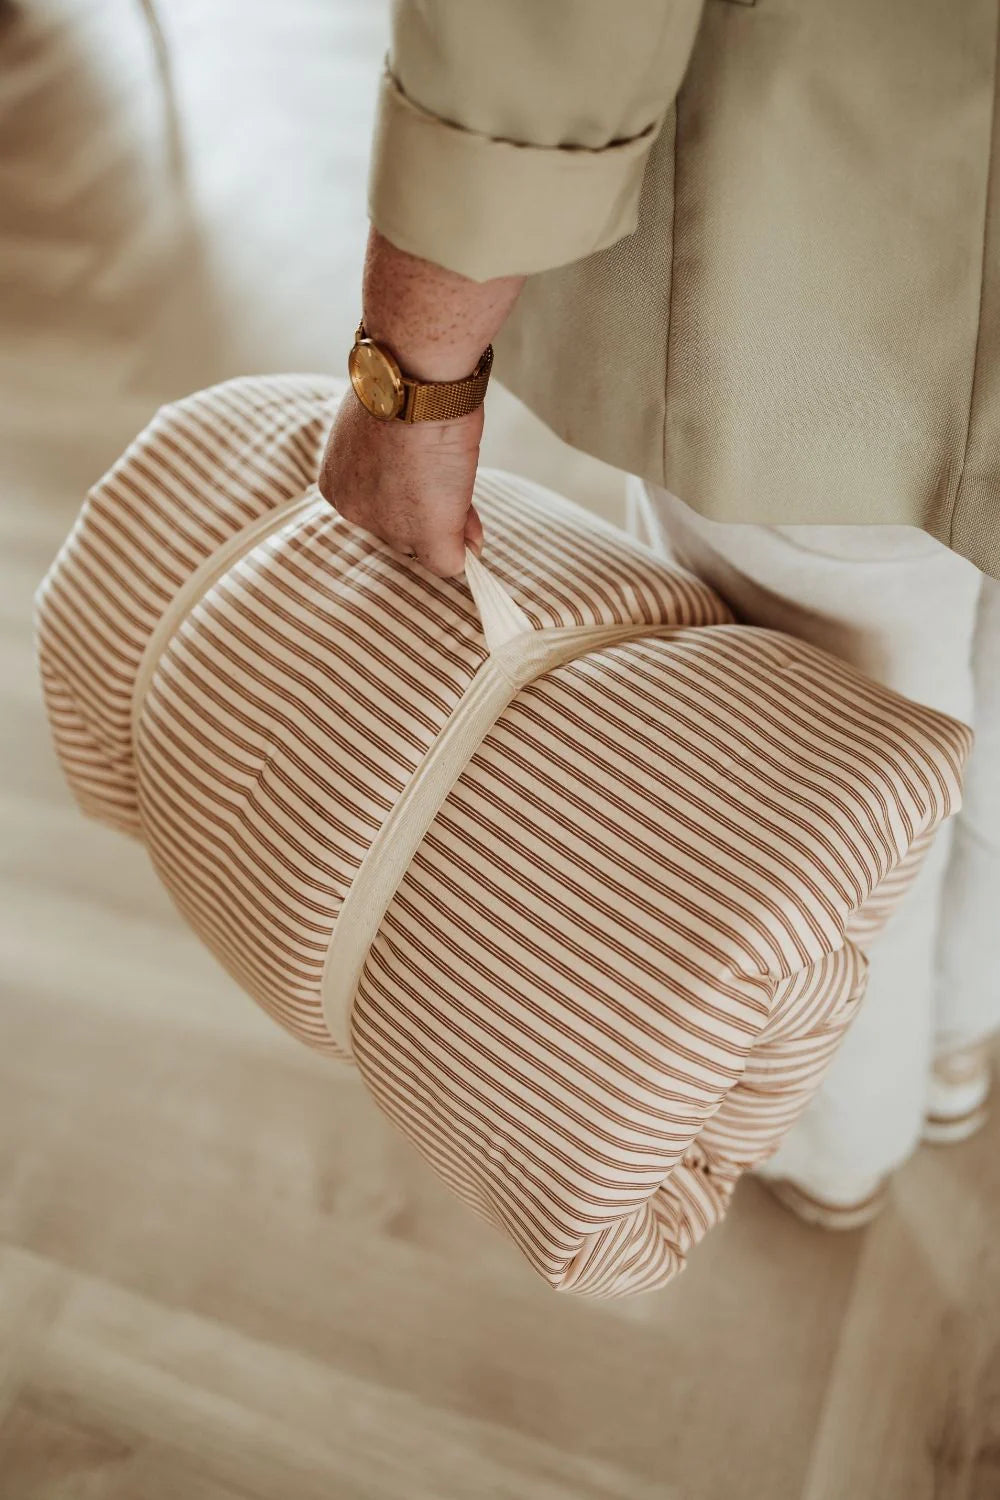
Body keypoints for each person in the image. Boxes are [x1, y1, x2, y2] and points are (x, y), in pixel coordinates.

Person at [318, 0, 999, 1227]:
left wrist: (408, 383)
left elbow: (545, 32)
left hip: (818, 277)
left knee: (817, 808)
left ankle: (837, 1144)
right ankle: (957, 1039)